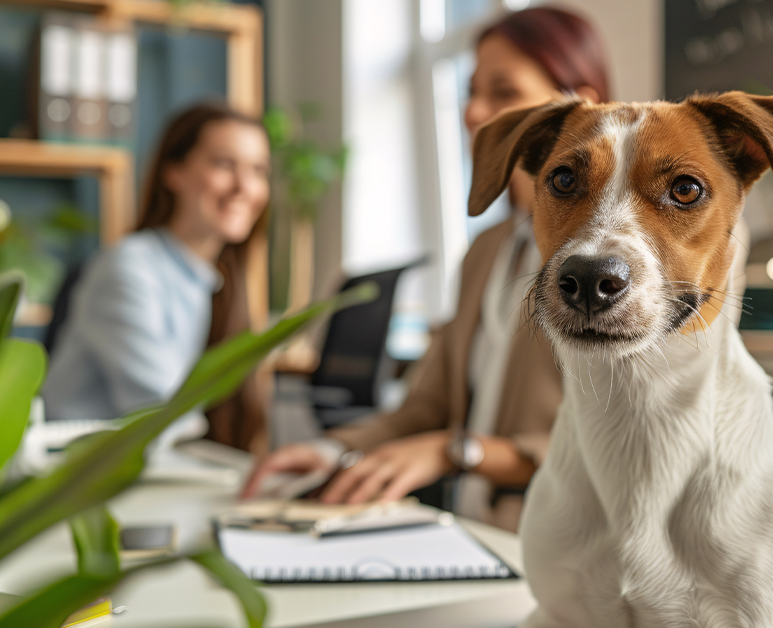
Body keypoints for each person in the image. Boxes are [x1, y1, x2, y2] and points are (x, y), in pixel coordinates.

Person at [242, 7, 611, 531]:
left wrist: (457, 452)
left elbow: (629, 441)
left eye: (503, 92)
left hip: (566, 544)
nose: (474, 112)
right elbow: (424, 407)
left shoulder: (609, 268)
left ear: (579, 106)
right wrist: (331, 451)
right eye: (470, 92)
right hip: (466, 533)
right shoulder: (487, 250)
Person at [43, 103, 272, 455]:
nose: (244, 186)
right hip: (78, 479)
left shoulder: (208, 281)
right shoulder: (128, 269)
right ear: (173, 172)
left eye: (258, 170)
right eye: (224, 164)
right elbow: (165, 412)